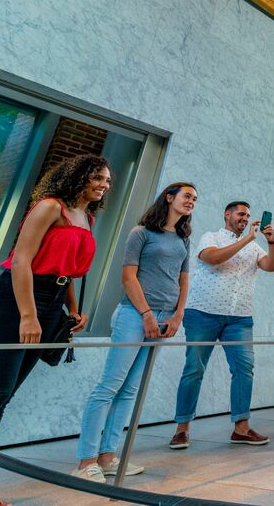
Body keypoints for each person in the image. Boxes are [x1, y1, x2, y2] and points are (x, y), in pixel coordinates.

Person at [0, 155, 110, 506]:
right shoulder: (49, 206)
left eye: (108, 180)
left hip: (51, 302)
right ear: (78, 176)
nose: (104, 184)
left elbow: (70, 273)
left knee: (1, 400)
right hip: (12, 302)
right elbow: (21, 260)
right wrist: (28, 315)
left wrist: (73, 310)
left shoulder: (86, 217)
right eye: (98, 177)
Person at [72, 182, 196, 483]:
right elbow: (128, 278)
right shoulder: (141, 233)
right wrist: (146, 314)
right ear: (169, 197)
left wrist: (178, 315)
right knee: (109, 386)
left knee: (129, 390)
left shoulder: (182, 239)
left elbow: (183, 280)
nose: (192, 201)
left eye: (195, 198)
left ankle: (107, 457)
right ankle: (86, 460)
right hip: (134, 315)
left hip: (166, 318)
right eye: (187, 196)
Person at [168, 201, 274, 449]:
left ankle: (241, 428)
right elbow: (213, 259)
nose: (245, 217)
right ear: (227, 214)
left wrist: (271, 242)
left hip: (239, 318)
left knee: (244, 369)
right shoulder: (212, 237)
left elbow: (271, 266)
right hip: (202, 314)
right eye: (241, 213)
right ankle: (182, 429)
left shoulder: (254, 245)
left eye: (248, 215)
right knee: (194, 369)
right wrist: (248, 240)